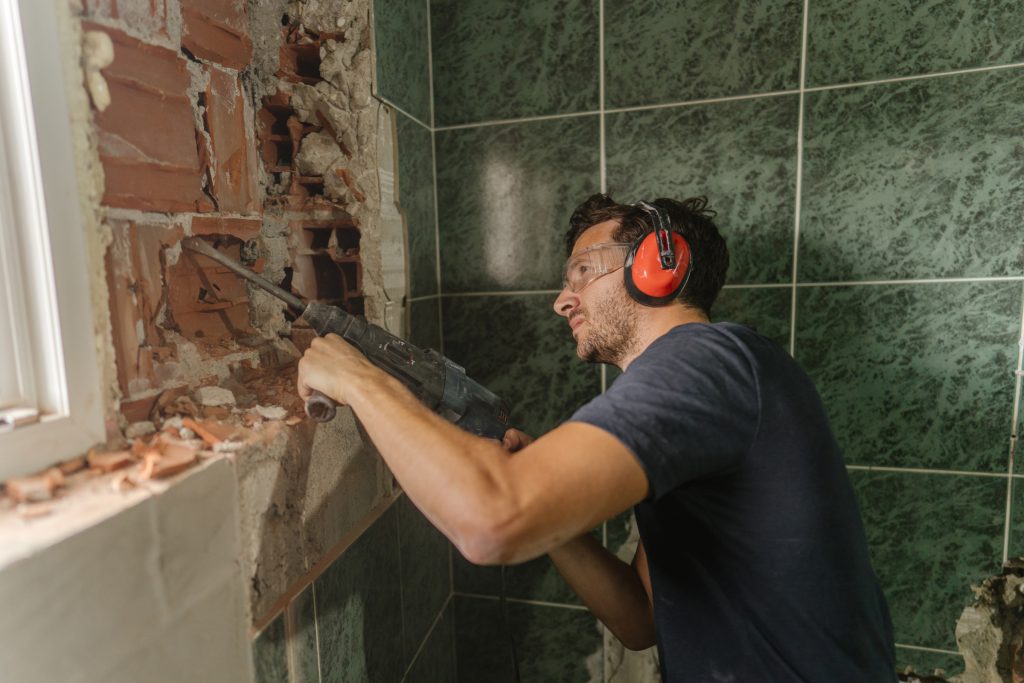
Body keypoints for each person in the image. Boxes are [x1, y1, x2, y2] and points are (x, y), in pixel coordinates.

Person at [297, 193, 896, 681]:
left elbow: (488, 523)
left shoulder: (706, 360)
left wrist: (362, 382)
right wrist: (556, 524)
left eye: (583, 272)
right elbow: (641, 621)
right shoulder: (714, 386)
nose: (563, 301)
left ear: (658, 265)